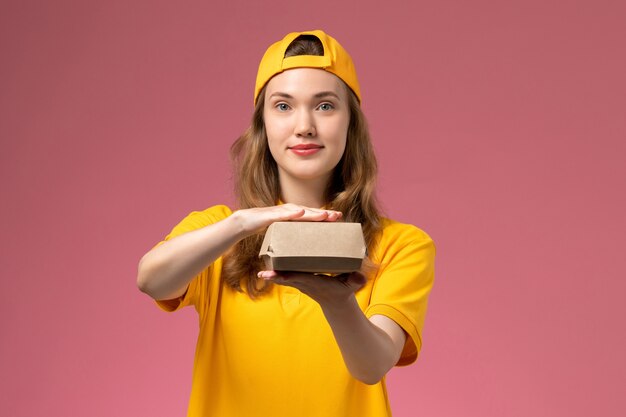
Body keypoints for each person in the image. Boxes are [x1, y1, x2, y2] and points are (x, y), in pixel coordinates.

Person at [137, 29, 435, 417]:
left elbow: (371, 367)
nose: (304, 126)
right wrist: (243, 223)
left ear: (351, 124)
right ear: (262, 125)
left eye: (325, 106)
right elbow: (151, 280)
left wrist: (338, 301)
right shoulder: (218, 230)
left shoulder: (400, 244)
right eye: (283, 106)